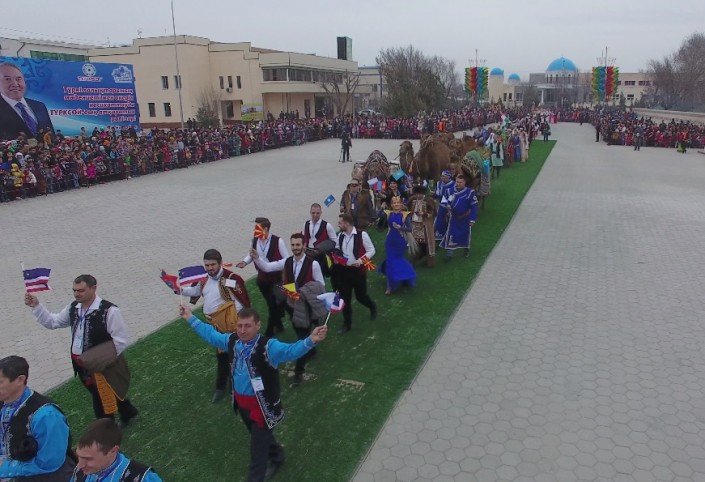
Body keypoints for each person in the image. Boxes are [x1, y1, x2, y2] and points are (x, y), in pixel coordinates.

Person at [179, 305, 327, 482]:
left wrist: (311, 340)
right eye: (239, 325)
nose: (242, 330)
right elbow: (211, 335)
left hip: (262, 410)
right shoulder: (232, 341)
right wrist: (190, 317)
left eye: (247, 326)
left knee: (257, 454)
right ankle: (277, 456)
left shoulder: (269, 347)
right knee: (260, 438)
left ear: (258, 325)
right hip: (243, 406)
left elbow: (290, 351)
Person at [25, 274, 139, 427]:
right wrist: (37, 306)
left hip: (103, 365)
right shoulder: (73, 307)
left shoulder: (109, 311)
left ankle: (106, 427)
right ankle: (128, 412)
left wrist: (100, 361)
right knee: (104, 390)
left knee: (99, 396)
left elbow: (120, 340)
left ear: (93, 288)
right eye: (74, 290)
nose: (76, 294)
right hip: (81, 364)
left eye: (81, 290)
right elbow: (53, 322)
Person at [252, 233, 326, 385]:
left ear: (304, 245)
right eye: (293, 245)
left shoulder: (313, 264)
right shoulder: (287, 262)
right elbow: (267, 267)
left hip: (307, 306)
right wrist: (257, 258)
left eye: (298, 245)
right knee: (300, 332)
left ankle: (299, 372)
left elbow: (321, 285)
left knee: (301, 338)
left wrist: (304, 292)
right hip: (293, 306)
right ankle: (312, 349)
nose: (295, 248)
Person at [180, 249, 251, 402]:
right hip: (214, 325)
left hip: (230, 325)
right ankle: (221, 385)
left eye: (213, 264)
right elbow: (196, 290)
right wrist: (179, 290)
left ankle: (234, 387)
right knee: (221, 355)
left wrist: (234, 320)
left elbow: (240, 300)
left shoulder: (230, 278)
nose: (210, 268)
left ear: (220, 263)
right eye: (207, 265)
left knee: (234, 357)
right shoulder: (204, 279)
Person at [0, 356, 76, 481]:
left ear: (20, 380)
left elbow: (50, 462)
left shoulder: (46, 415)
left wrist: (5, 468)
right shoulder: (4, 403)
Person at [237, 218, 290, 337]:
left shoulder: (278, 241)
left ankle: (269, 333)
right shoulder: (255, 240)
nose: (254, 230)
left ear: (265, 229)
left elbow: (287, 260)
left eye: (257, 228)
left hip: (276, 280)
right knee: (271, 304)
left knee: (273, 305)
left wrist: (272, 266)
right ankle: (279, 325)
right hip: (262, 280)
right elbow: (251, 254)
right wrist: (245, 262)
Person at [71, 418, 162, 481]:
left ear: (113, 451)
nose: (79, 465)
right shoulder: (81, 470)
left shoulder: (142, 479)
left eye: (88, 459)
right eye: (79, 456)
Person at [331, 213, 378, 334]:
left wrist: (361, 261)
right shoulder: (340, 235)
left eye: (340, 223)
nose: (338, 225)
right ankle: (347, 324)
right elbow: (337, 249)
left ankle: (372, 306)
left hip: (357, 272)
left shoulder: (362, 235)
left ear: (347, 223)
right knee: (345, 299)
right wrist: (336, 257)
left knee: (361, 297)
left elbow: (371, 250)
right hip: (344, 271)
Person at [0, 63, 54, 141]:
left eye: (18, 79)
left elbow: (51, 136)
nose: (15, 84)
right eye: (7, 79)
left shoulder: (40, 106)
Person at [378, 196, 416, 295]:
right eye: (394, 203)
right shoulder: (388, 213)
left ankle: (406, 274)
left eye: (398, 203)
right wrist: (381, 208)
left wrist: (401, 227)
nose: (396, 204)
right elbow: (377, 216)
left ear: (401, 204)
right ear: (391, 205)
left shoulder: (404, 215)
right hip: (390, 241)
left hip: (400, 241)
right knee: (390, 261)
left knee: (398, 260)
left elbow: (410, 229)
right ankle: (389, 286)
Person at [440, 174, 478, 260]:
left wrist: (472, 220)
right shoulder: (449, 191)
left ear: (464, 182)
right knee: (451, 234)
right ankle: (449, 254)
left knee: (465, 235)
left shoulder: (470, 192)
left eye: (461, 182)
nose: (458, 184)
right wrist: (447, 207)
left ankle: (466, 249)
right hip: (454, 218)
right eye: (457, 182)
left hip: (465, 218)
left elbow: (474, 207)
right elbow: (443, 201)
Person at [302, 203, 337, 277]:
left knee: (320, 275)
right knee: (308, 274)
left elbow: (335, 241)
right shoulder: (306, 224)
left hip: (321, 255)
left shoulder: (327, 225)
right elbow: (304, 237)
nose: (315, 215)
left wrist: (325, 248)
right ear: (310, 212)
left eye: (317, 213)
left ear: (321, 213)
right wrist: (303, 245)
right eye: (313, 213)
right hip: (308, 253)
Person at [407, 184, 438, 267]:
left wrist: (424, 214)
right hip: (415, 225)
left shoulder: (429, 201)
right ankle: (415, 258)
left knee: (428, 243)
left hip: (425, 225)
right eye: (416, 194)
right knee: (415, 243)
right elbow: (408, 209)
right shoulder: (412, 200)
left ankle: (429, 261)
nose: (418, 196)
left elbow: (433, 213)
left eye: (420, 194)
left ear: (423, 194)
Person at [433, 170, 455, 242]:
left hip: (451, 206)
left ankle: (450, 237)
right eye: (442, 176)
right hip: (441, 205)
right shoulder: (439, 183)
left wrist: (440, 197)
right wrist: (435, 195)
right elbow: (437, 192)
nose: (442, 178)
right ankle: (438, 236)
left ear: (449, 177)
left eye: (444, 177)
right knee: (438, 220)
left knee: (450, 222)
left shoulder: (454, 185)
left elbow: (452, 197)